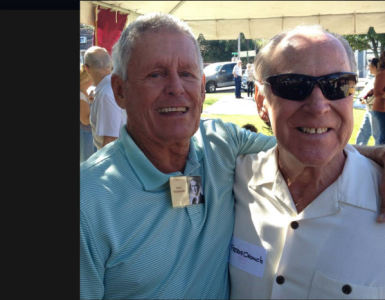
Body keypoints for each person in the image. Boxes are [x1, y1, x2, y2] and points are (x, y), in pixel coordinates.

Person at [80, 13, 385, 300]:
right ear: (120, 91)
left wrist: (377, 156)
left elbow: (302, 140)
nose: (175, 88)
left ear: (201, 88)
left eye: (186, 74)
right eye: (155, 74)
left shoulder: (220, 146)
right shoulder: (87, 202)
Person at [230, 25, 385, 299]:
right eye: (293, 86)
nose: (318, 105)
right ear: (260, 101)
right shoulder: (230, 179)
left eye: (337, 85)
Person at [84, 46, 127, 150]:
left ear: (86, 68)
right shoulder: (108, 87)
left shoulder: (107, 93)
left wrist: (101, 166)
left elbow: (110, 139)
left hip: (116, 159)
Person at [355, 58, 380, 145]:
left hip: (375, 111)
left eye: (369, 66)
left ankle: (379, 155)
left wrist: (364, 100)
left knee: (378, 135)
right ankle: (358, 150)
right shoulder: (374, 78)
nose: (368, 68)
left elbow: (375, 95)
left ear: (375, 66)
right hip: (369, 110)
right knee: (364, 131)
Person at [80, 64, 96, 162]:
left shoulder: (84, 93)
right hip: (86, 135)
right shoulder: (81, 95)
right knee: (87, 161)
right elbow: (85, 120)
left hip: (89, 134)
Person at [372, 51, 385, 144]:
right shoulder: (382, 73)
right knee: (383, 138)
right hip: (381, 110)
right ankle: (379, 157)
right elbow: (377, 93)